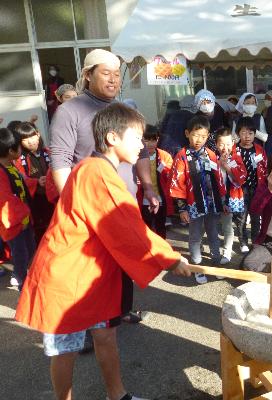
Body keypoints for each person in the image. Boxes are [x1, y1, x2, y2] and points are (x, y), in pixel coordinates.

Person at [15, 103, 191, 400]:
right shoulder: (96, 172)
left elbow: (129, 227)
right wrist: (170, 258)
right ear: (112, 138)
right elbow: (128, 229)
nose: (142, 144)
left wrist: (168, 256)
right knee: (65, 350)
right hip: (68, 274)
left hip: (90, 273)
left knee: (105, 335)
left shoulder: (97, 169)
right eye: (136, 138)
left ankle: (117, 395)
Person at [49, 48, 159, 327]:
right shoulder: (69, 111)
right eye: (105, 73)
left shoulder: (124, 112)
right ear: (87, 75)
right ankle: (86, 322)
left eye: (116, 74)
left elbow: (142, 152)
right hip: (89, 203)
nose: (113, 80)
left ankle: (120, 310)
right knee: (89, 265)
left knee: (122, 257)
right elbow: (60, 157)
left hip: (123, 200)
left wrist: (147, 186)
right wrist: (70, 202)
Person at [170, 115, 226, 284]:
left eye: (203, 136)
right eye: (195, 135)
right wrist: (182, 209)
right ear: (187, 133)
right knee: (195, 236)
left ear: (208, 136)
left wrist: (223, 201)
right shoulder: (181, 156)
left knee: (213, 234)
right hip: (193, 205)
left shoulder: (211, 154)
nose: (199, 140)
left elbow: (219, 179)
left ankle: (216, 263)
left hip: (212, 203)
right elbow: (177, 183)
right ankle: (197, 267)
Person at [0, 128, 36, 291]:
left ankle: (28, 283)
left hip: (23, 221)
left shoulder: (11, 166)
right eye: (19, 147)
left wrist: (37, 182)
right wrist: (23, 215)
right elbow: (4, 200)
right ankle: (23, 287)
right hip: (15, 225)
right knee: (21, 257)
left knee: (30, 252)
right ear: (10, 151)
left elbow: (22, 182)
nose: (21, 150)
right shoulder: (1, 172)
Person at [13, 122, 55, 244]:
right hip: (35, 199)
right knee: (39, 227)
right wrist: (36, 182)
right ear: (20, 142)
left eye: (32, 136)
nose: (30, 141)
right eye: (25, 139)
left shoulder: (48, 152)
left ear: (38, 134)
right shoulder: (20, 159)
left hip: (52, 197)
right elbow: (20, 178)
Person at [232, 117, 268, 253]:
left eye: (250, 133)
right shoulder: (234, 150)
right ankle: (242, 242)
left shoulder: (259, 150)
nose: (247, 136)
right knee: (241, 217)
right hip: (239, 190)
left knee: (255, 216)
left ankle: (256, 241)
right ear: (238, 134)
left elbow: (264, 168)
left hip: (256, 188)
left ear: (254, 134)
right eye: (243, 133)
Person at [215, 127, 247, 264]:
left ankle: (227, 252)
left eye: (228, 144)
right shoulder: (211, 157)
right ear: (216, 144)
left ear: (233, 143)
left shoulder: (236, 158)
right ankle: (214, 250)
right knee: (213, 226)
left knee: (228, 226)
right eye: (221, 144)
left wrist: (227, 167)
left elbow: (241, 178)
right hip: (215, 198)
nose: (225, 147)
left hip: (231, 197)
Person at [137, 124, 174, 239]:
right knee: (145, 225)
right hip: (143, 198)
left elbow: (171, 175)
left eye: (154, 140)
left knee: (160, 225)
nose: (150, 144)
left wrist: (165, 172)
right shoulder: (135, 155)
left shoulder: (164, 156)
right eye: (146, 140)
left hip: (160, 197)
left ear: (158, 139)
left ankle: (162, 249)